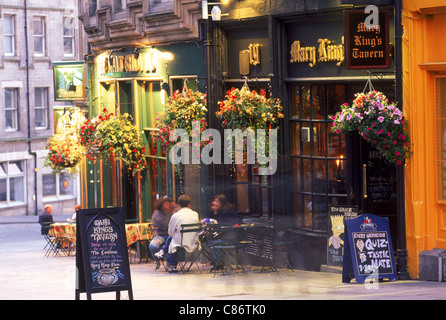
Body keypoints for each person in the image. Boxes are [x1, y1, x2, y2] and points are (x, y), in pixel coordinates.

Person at [154, 195, 200, 272]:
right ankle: (164, 253)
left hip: (180, 242)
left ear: (179, 205)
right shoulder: (195, 214)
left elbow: (170, 232)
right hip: (193, 242)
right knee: (172, 239)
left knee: (171, 239)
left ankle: (172, 264)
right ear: (189, 204)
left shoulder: (175, 215)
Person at [149, 197, 175, 264]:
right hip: (161, 236)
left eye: (169, 204)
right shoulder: (157, 213)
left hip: (171, 236)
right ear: (162, 205)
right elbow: (154, 225)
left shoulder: (173, 213)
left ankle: (169, 263)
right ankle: (157, 260)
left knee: (171, 246)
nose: (168, 205)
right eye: (166, 204)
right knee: (153, 246)